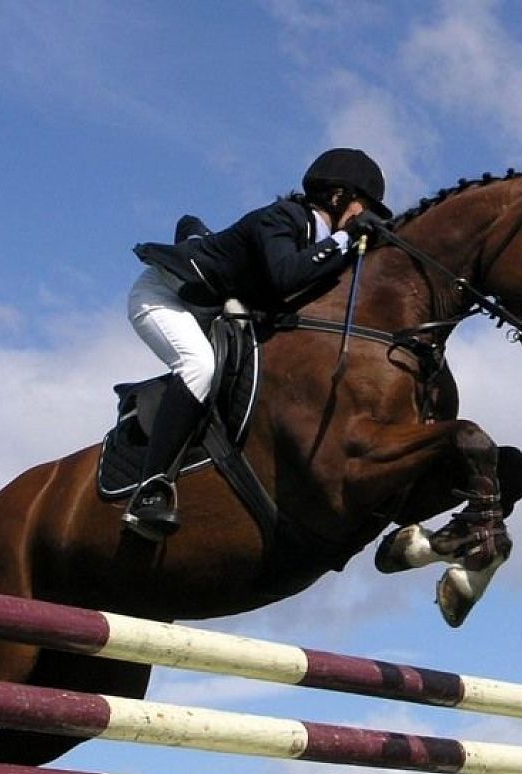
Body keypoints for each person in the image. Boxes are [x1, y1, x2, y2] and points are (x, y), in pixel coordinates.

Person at [124, 148, 392, 539]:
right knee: (198, 365)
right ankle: (151, 489)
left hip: (213, 306)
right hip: (164, 297)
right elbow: (286, 277)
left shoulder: (326, 241)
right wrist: (345, 237)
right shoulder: (283, 218)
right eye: (362, 205)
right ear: (337, 197)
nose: (364, 217)